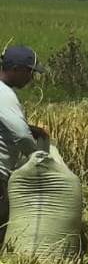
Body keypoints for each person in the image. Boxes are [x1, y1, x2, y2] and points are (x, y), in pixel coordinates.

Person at [0, 45, 48, 246]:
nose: (30, 78)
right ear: (16, 69)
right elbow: (21, 136)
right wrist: (39, 160)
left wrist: (31, 128)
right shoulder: (4, 94)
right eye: (29, 72)